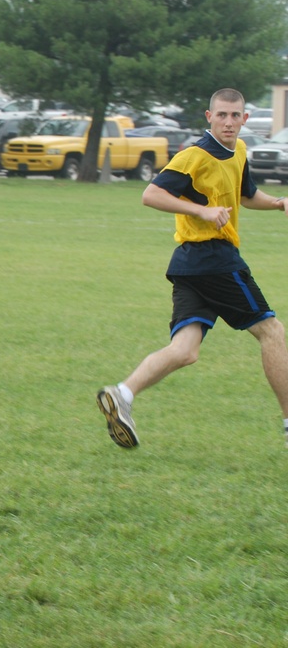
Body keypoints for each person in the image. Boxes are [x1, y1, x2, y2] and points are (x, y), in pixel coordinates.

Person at [97, 88, 288, 449]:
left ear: (245, 119)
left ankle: (122, 394)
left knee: (186, 350)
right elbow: (150, 194)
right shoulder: (193, 156)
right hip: (214, 258)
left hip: (189, 265)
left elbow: (246, 195)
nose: (229, 122)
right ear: (209, 117)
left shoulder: (240, 151)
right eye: (222, 115)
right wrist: (201, 211)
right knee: (272, 331)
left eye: (235, 116)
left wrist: (279, 203)